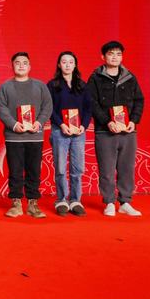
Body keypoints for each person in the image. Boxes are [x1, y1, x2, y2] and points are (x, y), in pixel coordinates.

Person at [87, 41, 145, 217]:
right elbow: (91, 103)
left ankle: (125, 202)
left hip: (128, 131)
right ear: (103, 57)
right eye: (111, 54)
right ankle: (109, 202)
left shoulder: (130, 77)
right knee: (106, 169)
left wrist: (133, 121)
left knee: (127, 168)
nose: (115, 57)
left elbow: (139, 100)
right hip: (105, 131)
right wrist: (107, 122)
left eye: (118, 54)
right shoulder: (95, 78)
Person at [0, 52, 52, 219]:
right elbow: (1, 108)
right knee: (15, 170)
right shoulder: (5, 87)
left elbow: (47, 106)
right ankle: (16, 203)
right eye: (17, 63)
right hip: (14, 136)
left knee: (34, 170)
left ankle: (33, 204)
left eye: (24, 63)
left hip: (35, 136)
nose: (21, 65)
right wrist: (14, 124)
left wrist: (39, 122)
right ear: (12, 66)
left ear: (30, 66)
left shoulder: (40, 86)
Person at [47, 51, 92, 217]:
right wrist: (61, 124)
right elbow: (49, 108)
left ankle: (75, 200)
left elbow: (88, 108)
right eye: (64, 62)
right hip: (60, 130)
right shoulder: (52, 85)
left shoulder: (82, 85)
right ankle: (61, 200)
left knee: (77, 168)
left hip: (78, 132)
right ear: (59, 65)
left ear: (75, 65)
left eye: (70, 62)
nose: (67, 64)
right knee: (60, 167)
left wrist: (84, 126)